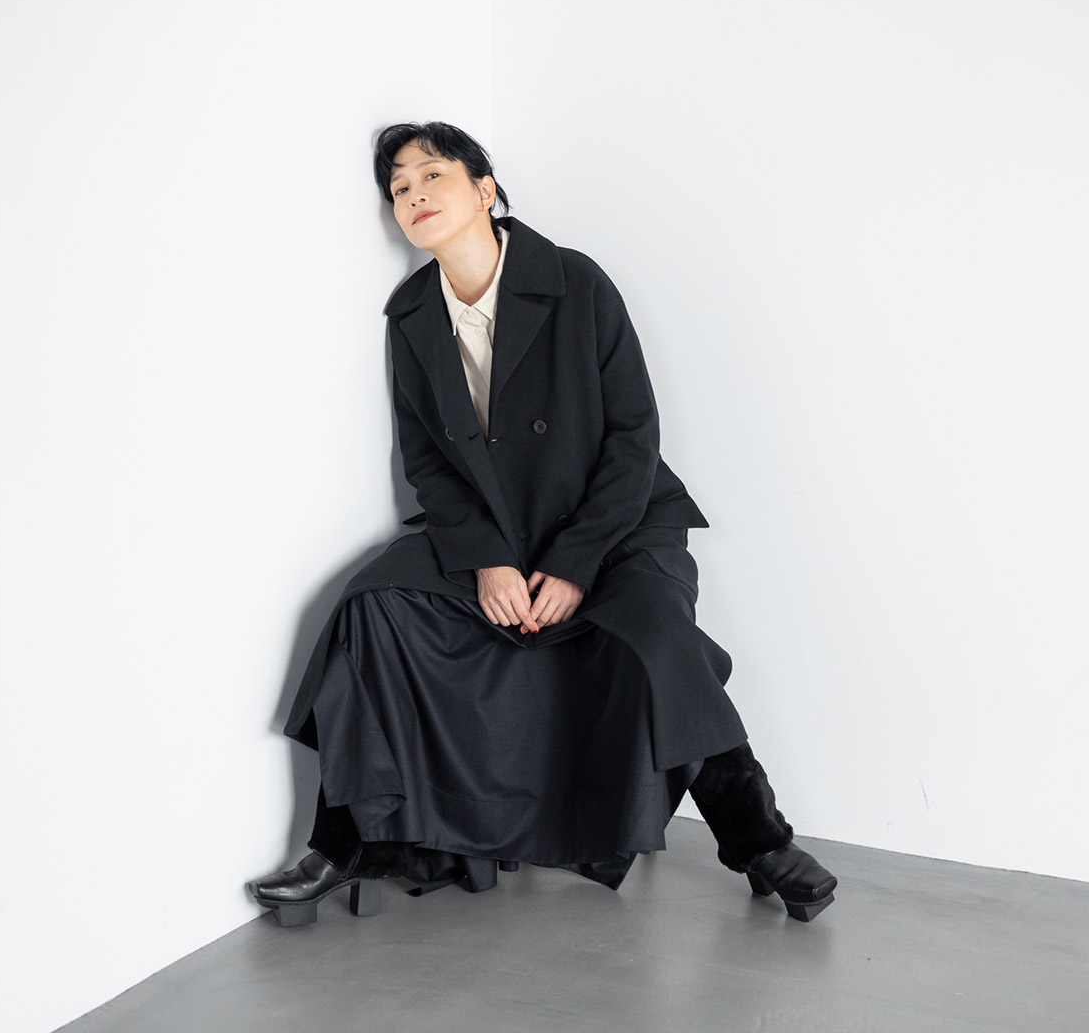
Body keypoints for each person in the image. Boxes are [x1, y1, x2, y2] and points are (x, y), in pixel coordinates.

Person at [247, 122, 837, 926]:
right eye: (399, 188)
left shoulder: (574, 282)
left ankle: (759, 841)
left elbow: (633, 440)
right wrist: (488, 559)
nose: (414, 195)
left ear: (484, 190)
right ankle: (345, 841)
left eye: (432, 175)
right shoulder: (410, 315)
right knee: (371, 608)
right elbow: (427, 463)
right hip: (491, 533)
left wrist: (575, 563)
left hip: (617, 526)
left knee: (659, 636)